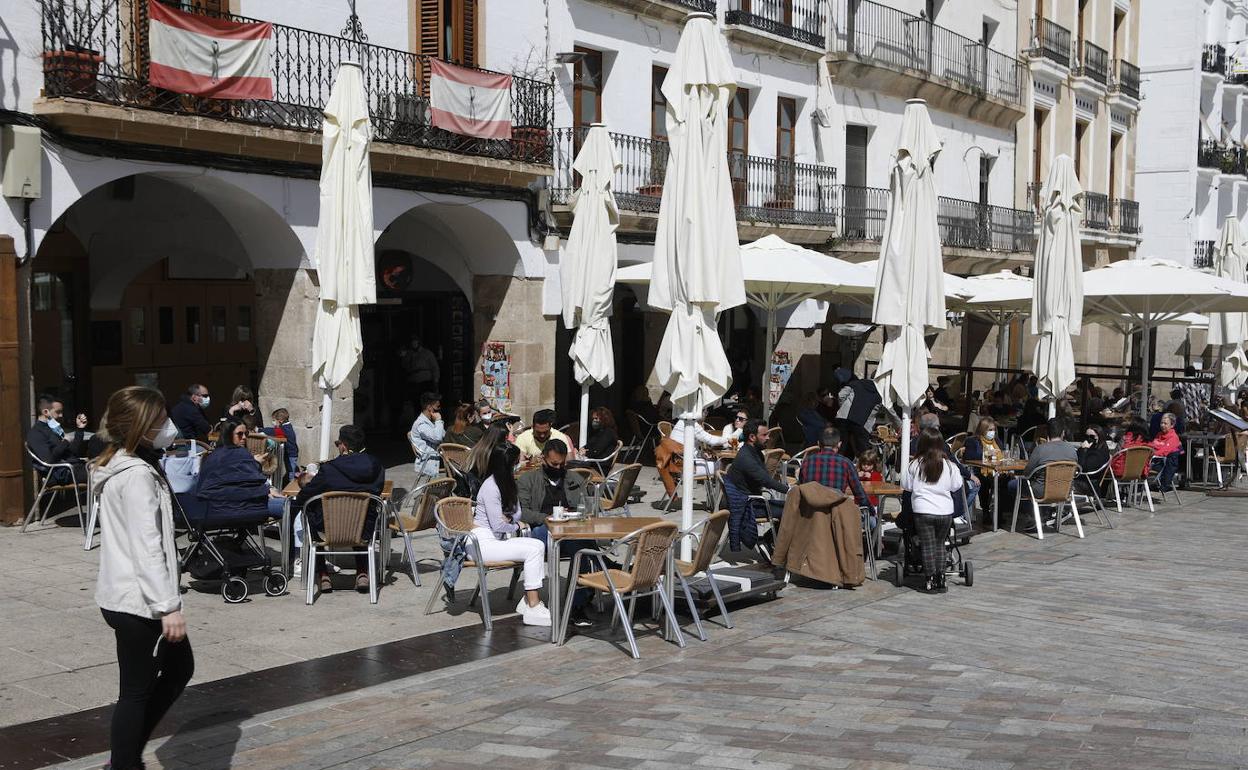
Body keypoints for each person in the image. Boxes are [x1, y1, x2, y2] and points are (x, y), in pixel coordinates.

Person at [91, 386, 193, 770]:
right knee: (134, 692)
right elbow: (147, 545)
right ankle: (124, 761)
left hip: (124, 595)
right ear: (141, 427)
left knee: (177, 668)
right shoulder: (135, 476)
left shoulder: (120, 464)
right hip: (139, 600)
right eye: (160, 420)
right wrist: (168, 606)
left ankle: (126, 754)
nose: (168, 425)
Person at [294, 425, 386, 593]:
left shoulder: (329, 469)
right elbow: (378, 492)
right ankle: (362, 572)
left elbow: (304, 496)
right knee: (360, 514)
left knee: (308, 510)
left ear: (343, 445)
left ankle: (322, 574)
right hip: (363, 531)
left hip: (329, 530)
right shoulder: (376, 465)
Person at [472, 445, 550, 626]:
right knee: (533, 550)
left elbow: (516, 514)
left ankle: (529, 601)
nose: (520, 464)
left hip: (497, 539)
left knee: (537, 545)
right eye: (517, 462)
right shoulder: (491, 487)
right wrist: (514, 524)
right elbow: (499, 523)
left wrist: (511, 521)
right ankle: (532, 604)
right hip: (481, 543)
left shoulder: (507, 484)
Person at [901, 426, 963, 594]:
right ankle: (941, 579)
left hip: (923, 510)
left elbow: (906, 486)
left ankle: (929, 580)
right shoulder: (949, 465)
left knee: (928, 546)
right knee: (940, 545)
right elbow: (957, 485)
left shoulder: (915, 464)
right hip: (944, 510)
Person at [195, 420, 286, 520]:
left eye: (246, 433)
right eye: (239, 434)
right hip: (245, 507)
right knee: (292, 506)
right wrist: (266, 489)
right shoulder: (241, 453)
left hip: (212, 509)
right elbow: (248, 480)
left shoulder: (212, 457)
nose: (244, 437)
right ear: (229, 435)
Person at [723, 419, 789, 552]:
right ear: (752, 437)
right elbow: (767, 481)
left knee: (790, 507)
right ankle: (768, 541)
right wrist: (791, 490)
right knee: (792, 510)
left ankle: (769, 541)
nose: (768, 437)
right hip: (748, 504)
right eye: (764, 435)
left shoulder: (755, 453)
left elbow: (764, 479)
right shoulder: (747, 458)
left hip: (753, 499)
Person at [1007, 418, 1079, 526]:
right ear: (1063, 433)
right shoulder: (1071, 450)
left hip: (1041, 491)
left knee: (1012, 485)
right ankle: (1043, 514)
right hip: (1065, 491)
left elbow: (1027, 473)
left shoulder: (1040, 449)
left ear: (1047, 433)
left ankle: (1034, 516)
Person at [798, 426, 872, 511]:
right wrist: (872, 511)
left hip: (811, 516)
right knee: (872, 521)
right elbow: (860, 495)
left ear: (818, 443)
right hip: (836, 516)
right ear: (839, 444)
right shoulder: (846, 463)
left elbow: (802, 487)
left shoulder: (807, 462)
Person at [657, 413, 732, 497]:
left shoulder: (682, 421)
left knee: (713, 461)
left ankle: (713, 500)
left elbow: (689, 445)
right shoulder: (692, 424)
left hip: (676, 463)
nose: (706, 413)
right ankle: (719, 500)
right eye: (704, 411)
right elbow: (710, 440)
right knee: (721, 464)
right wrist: (727, 439)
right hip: (685, 467)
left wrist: (701, 453)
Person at [27, 394, 88, 485]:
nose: (61, 415)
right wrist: (65, 442)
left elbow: (74, 451)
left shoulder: (54, 428)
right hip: (61, 473)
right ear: (45, 412)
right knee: (100, 475)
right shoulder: (36, 433)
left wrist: (80, 429)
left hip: (74, 467)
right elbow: (48, 460)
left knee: (105, 469)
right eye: (58, 412)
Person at [962, 417, 1002, 521]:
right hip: (979, 471)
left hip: (997, 471)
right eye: (989, 430)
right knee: (984, 481)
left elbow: (1002, 453)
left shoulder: (996, 441)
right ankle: (986, 511)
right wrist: (986, 453)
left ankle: (999, 512)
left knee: (1005, 481)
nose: (992, 432)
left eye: (993, 430)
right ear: (982, 430)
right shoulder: (973, 441)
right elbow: (968, 456)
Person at [409, 392, 445, 481]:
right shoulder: (421, 424)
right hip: (428, 463)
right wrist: (439, 420)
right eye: (437, 408)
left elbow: (444, 434)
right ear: (429, 407)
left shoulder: (430, 422)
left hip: (437, 459)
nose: (439, 410)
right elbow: (438, 438)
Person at [1150, 412, 1182, 492]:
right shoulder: (1159, 434)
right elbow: (1153, 445)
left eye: (1165, 423)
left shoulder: (1173, 437)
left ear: (1172, 425)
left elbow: (1164, 451)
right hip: (1156, 460)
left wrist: (1152, 453)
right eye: (1161, 423)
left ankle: (1165, 485)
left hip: (1166, 463)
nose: (1162, 425)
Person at [264, 407, 299, 481]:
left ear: (280, 421)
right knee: (290, 470)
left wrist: (259, 430)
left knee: (291, 473)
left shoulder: (285, 429)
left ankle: (291, 487)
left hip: (291, 455)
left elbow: (273, 431)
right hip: (289, 453)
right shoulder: (286, 427)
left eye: (274, 420)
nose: (273, 422)